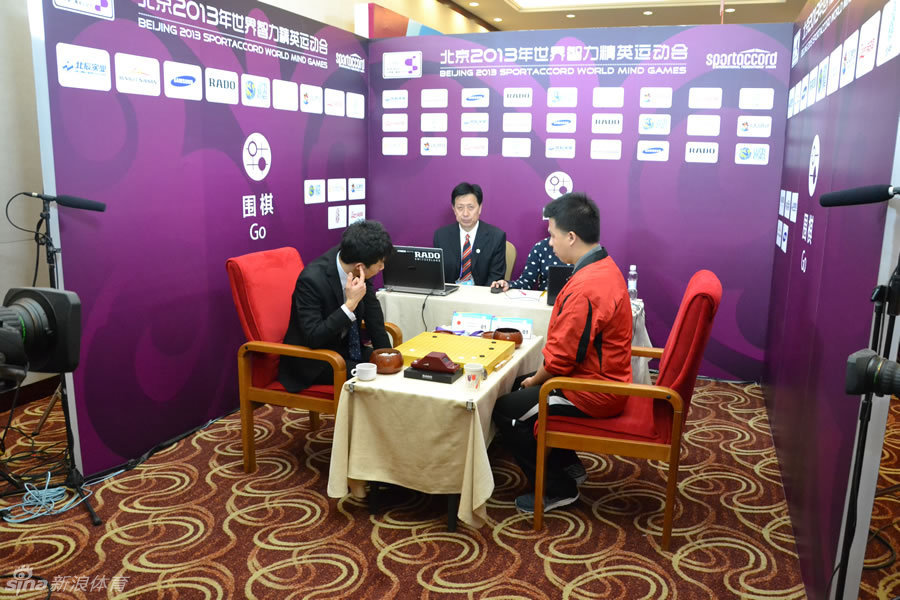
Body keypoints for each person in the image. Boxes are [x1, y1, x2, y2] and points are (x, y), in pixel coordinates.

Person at [491, 192, 633, 514]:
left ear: (571, 237)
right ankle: (569, 466)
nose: (550, 243)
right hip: (595, 376)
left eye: (552, 235)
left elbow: (561, 360)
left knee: (506, 410)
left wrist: (535, 381)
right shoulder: (602, 265)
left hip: (594, 391)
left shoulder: (587, 286)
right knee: (517, 387)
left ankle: (558, 488)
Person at [278, 220, 394, 392]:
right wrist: (350, 305)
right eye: (380, 264)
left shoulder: (357, 264)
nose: (382, 267)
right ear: (360, 267)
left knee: (394, 370)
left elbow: (373, 316)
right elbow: (313, 337)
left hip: (346, 350)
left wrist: (386, 355)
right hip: (315, 360)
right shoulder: (311, 280)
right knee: (374, 380)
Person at [433, 182, 506, 287]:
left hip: (482, 294)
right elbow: (438, 276)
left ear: (480, 208)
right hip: (450, 293)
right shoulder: (441, 236)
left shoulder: (496, 237)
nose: (465, 214)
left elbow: (496, 278)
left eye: (471, 207)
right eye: (460, 208)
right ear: (454, 209)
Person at [490, 237, 566, 291]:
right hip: (545, 304)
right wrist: (508, 284)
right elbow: (527, 282)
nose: (550, 242)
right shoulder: (541, 247)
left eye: (554, 235)